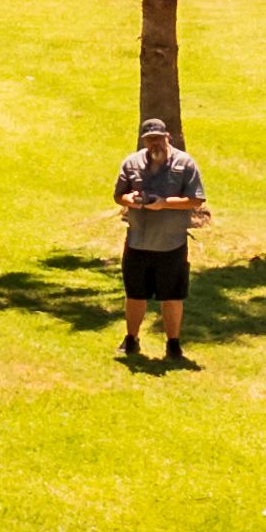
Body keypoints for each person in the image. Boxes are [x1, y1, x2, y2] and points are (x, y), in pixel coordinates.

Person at [115, 119, 207, 366]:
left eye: (158, 137)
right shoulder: (131, 163)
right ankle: (131, 338)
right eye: (149, 138)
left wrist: (164, 203)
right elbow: (118, 195)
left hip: (171, 244)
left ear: (168, 136)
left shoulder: (185, 164)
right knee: (135, 294)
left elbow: (195, 200)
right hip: (137, 241)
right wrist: (130, 199)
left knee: (172, 296)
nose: (155, 142)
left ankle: (173, 343)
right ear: (144, 140)